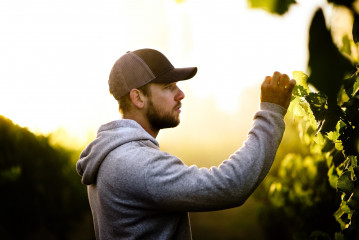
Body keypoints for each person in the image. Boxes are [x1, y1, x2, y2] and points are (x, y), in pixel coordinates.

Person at [76, 48, 296, 240]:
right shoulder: (136, 164)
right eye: (169, 87)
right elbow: (229, 186)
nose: (181, 94)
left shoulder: (113, 154)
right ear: (138, 98)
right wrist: (271, 113)